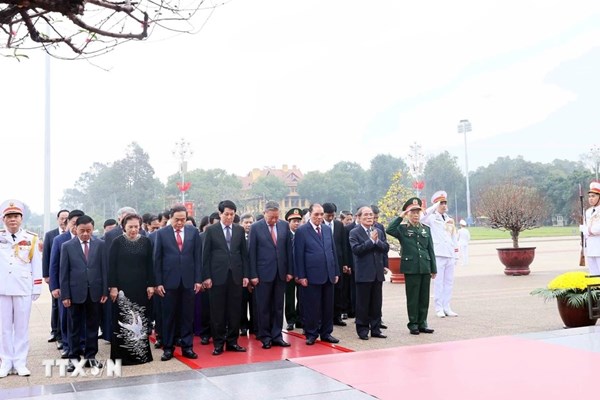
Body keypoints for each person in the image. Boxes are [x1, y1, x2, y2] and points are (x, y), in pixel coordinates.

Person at [154, 205, 202, 361]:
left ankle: (187, 347)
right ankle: (168, 348)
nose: (180, 223)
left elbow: (197, 258)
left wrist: (198, 280)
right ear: (170, 218)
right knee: (169, 316)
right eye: (177, 220)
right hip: (168, 282)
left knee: (187, 316)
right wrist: (158, 282)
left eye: (183, 219)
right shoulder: (161, 233)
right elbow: (157, 259)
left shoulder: (193, 232)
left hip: (188, 281)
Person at [0, 200, 42, 378]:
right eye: (9, 216)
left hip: (23, 287)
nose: (12, 220)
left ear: (21, 218)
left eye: (15, 216)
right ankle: (5, 362)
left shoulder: (31, 238)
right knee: (4, 328)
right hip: (2, 287)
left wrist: (36, 288)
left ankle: (20, 362)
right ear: (3, 218)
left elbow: (36, 263)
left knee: (22, 327)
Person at [59, 215, 107, 371]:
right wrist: (65, 295)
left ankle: (90, 357)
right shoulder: (67, 246)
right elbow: (63, 273)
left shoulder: (100, 244)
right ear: (75, 229)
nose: (85, 234)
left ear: (93, 229)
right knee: (74, 327)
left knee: (93, 327)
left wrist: (104, 290)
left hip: (95, 292)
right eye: (82, 230)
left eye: (89, 230)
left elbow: (104, 269)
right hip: (74, 293)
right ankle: (74, 359)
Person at [202, 200, 249, 356]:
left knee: (235, 311)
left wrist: (246, 275)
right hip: (217, 277)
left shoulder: (239, 230)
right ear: (220, 213)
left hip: (235, 276)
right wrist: (206, 277)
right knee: (217, 312)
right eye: (226, 214)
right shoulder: (211, 230)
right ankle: (218, 343)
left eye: (232, 214)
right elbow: (205, 256)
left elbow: (244, 255)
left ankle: (232, 342)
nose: (229, 217)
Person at [108, 213, 154, 365]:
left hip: (140, 288)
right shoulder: (117, 242)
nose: (134, 230)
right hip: (122, 289)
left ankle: (140, 354)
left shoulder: (146, 242)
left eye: (136, 227)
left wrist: (150, 285)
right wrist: (113, 287)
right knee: (123, 320)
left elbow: (150, 265)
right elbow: (111, 267)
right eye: (130, 227)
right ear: (124, 227)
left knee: (140, 319)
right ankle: (122, 357)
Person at [386, 197, 437, 335]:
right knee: (413, 297)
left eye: (417, 212)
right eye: (412, 212)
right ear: (407, 214)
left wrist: (433, 268)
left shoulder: (426, 229)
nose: (415, 215)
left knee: (424, 297)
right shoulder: (402, 229)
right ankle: (413, 323)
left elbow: (430, 249)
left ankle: (423, 323)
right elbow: (389, 230)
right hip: (411, 268)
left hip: (425, 266)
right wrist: (400, 216)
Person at [248, 201, 293, 349]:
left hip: (280, 272)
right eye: (271, 217)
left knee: (278, 306)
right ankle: (265, 336)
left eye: (276, 217)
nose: (274, 220)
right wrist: (253, 274)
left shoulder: (284, 225)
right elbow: (251, 253)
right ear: (265, 212)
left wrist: (289, 271)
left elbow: (288, 250)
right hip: (263, 274)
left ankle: (277, 335)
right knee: (264, 306)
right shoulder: (256, 227)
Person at [294, 203, 340, 345]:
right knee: (312, 307)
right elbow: (298, 255)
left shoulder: (326, 229)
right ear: (310, 214)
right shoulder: (302, 231)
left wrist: (336, 271)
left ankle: (326, 333)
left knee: (328, 306)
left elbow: (333, 251)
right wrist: (301, 276)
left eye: (321, 214)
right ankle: (311, 333)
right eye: (316, 214)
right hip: (311, 276)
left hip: (328, 274)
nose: (319, 217)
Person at [49, 209, 85, 359]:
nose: (76, 226)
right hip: (66, 287)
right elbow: (54, 265)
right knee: (66, 318)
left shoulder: (89, 238)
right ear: (67, 222)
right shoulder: (60, 240)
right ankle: (67, 344)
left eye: (79, 223)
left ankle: (82, 344)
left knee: (82, 317)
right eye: (73, 222)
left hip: (84, 287)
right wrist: (55, 287)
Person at [349, 206, 389, 340]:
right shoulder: (354, 232)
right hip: (363, 274)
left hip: (377, 273)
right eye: (366, 215)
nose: (369, 217)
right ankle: (362, 330)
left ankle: (376, 329)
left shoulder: (378, 231)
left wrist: (377, 241)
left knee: (376, 304)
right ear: (359, 217)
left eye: (371, 215)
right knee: (363, 304)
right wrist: (371, 241)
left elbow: (385, 247)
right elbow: (357, 250)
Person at [421, 190, 458, 318]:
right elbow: (421, 217)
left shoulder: (449, 219)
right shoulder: (431, 217)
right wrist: (433, 207)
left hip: (449, 254)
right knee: (438, 283)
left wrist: (456, 254)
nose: (444, 205)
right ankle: (439, 308)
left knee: (449, 282)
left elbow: (454, 237)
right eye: (441, 203)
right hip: (438, 254)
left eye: (444, 202)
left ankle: (447, 306)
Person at [42, 209, 69, 347]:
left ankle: (62, 335)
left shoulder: (73, 235)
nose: (64, 220)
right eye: (62, 218)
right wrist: (46, 275)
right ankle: (55, 331)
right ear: (58, 219)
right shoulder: (51, 235)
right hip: (55, 276)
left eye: (67, 218)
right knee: (56, 305)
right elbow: (47, 255)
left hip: (68, 277)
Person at [322, 202, 348, 327]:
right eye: (328, 216)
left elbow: (344, 245)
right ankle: (324, 317)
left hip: (338, 262)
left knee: (339, 290)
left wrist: (345, 263)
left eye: (333, 215)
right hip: (324, 264)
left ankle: (337, 316)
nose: (330, 218)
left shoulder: (339, 225)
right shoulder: (319, 225)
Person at [284, 207, 303, 331]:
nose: (296, 223)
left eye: (298, 221)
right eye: (294, 221)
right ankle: (290, 320)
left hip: (301, 271)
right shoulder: (285, 236)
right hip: (289, 272)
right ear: (288, 222)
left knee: (302, 296)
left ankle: (300, 318)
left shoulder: (303, 234)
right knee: (290, 297)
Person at [239, 212, 255, 337]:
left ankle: (255, 325)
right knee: (242, 303)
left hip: (255, 275)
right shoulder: (238, 237)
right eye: (246, 222)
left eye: (251, 222)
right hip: (242, 276)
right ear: (241, 223)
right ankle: (243, 325)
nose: (249, 225)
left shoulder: (256, 236)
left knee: (255, 302)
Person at [582, 182, 600, 275]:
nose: (590, 199)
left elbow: (598, 229)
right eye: (589, 196)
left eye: (593, 196)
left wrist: (588, 230)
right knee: (593, 275)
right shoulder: (588, 212)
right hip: (590, 247)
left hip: (599, 246)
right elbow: (584, 228)